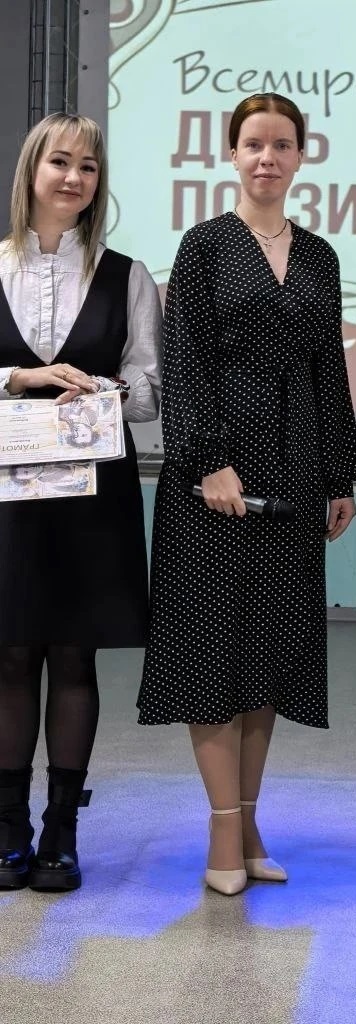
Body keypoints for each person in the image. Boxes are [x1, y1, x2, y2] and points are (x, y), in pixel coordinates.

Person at [137, 93, 356, 896]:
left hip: (296, 466)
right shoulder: (203, 246)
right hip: (215, 478)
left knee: (268, 652)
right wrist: (207, 462)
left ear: (301, 156)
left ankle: (249, 820)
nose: (268, 157)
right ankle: (222, 835)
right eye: (254, 144)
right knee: (213, 651)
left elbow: (328, 369)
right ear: (231, 154)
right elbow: (184, 359)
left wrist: (338, 474)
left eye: (282, 144)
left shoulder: (320, 256)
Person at [0, 113, 162, 892]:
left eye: (88, 167)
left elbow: (153, 391)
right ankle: (7, 830)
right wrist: (20, 377)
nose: (73, 178)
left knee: (73, 654)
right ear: (31, 170)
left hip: (93, 495)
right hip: (7, 497)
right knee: (7, 654)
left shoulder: (129, 275)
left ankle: (60, 834)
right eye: (60, 162)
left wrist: (107, 390)